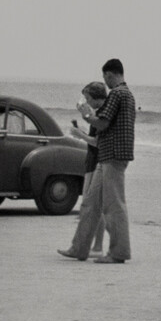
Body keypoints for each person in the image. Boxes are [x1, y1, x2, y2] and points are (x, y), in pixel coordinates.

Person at [59, 58, 136, 264]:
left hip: (112, 156)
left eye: (105, 77)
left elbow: (101, 123)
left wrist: (85, 114)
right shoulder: (126, 95)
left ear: (109, 74)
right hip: (110, 156)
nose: (105, 82)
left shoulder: (117, 94)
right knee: (91, 204)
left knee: (113, 205)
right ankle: (79, 248)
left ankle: (118, 252)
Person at [67, 81, 108, 254]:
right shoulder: (98, 114)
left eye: (88, 98)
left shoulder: (100, 115)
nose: (86, 101)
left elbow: (98, 142)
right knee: (95, 205)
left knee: (91, 205)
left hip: (95, 160)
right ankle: (94, 245)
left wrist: (79, 135)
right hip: (93, 159)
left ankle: (93, 245)